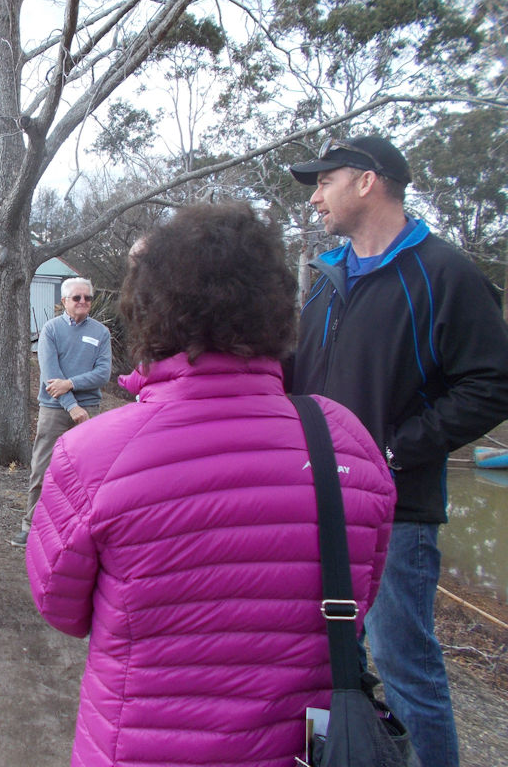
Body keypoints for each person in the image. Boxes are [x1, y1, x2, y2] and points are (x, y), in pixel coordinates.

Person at [26, 202, 396, 767]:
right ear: (276, 308)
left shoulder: (95, 454)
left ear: (149, 312)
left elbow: (60, 606)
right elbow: (359, 597)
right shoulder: (345, 442)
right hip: (296, 747)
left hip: (139, 746)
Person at [289, 135, 508, 767]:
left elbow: (493, 381)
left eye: (324, 181)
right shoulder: (327, 280)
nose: (315, 197)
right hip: (318, 507)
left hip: (396, 512)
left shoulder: (444, 273)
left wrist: (394, 450)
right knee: (329, 664)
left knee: (405, 668)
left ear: (367, 181)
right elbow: (296, 373)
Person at [10, 277, 110, 548]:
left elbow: (103, 373)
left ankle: (79, 530)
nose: (82, 302)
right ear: (64, 301)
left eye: (87, 298)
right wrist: (72, 405)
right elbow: (50, 375)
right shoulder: (51, 330)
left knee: (86, 473)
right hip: (55, 410)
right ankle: (29, 526)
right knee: (42, 469)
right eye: (76, 298)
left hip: (89, 410)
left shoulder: (101, 333)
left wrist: (73, 384)